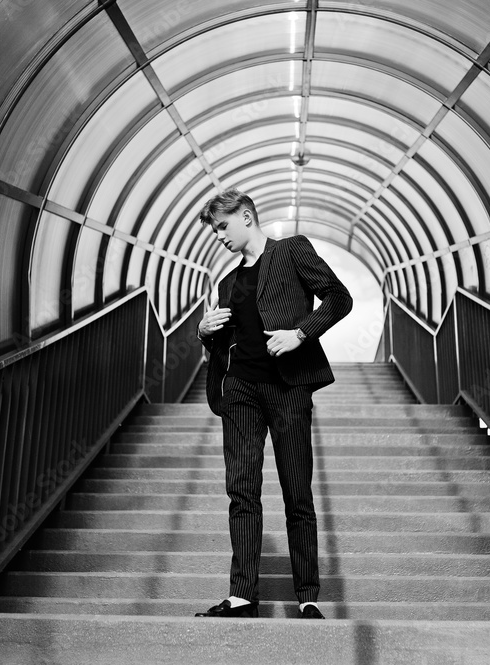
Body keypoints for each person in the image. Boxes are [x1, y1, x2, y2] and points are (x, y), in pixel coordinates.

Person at [193, 189, 352, 620]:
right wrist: (205, 331)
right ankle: (243, 596)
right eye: (214, 230)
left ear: (247, 216)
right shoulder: (227, 283)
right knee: (241, 490)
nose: (219, 236)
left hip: (287, 388)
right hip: (240, 389)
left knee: (296, 492)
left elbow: (339, 299)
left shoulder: (291, 251)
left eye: (222, 226)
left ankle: (307, 595)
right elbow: (224, 342)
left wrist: (300, 333)